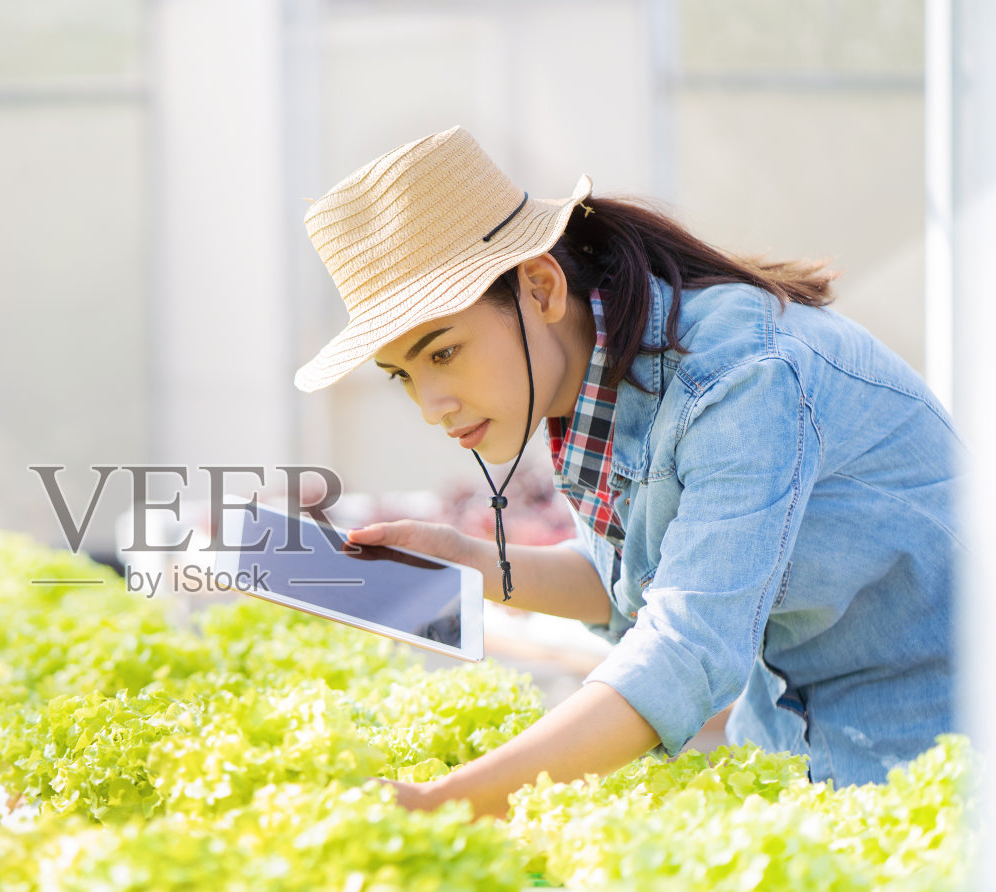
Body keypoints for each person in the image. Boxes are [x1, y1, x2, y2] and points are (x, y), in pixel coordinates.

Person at [294, 126, 966, 816]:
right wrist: (474, 565)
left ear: (540, 288)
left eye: (443, 353)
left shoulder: (738, 379)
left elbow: (686, 647)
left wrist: (445, 801)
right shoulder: (601, 371)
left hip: (937, 753)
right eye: (402, 375)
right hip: (793, 748)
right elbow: (639, 582)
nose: (431, 405)